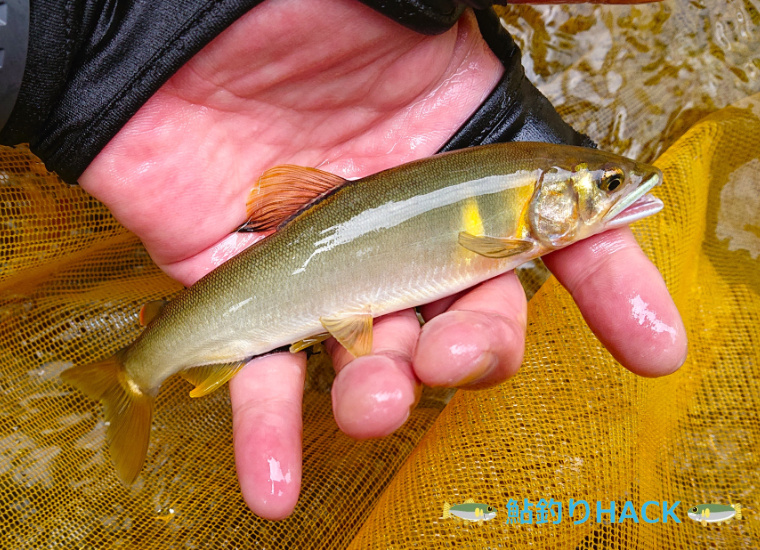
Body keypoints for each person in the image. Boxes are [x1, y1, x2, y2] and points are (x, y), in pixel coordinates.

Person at [0, 0, 686, 520]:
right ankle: (133, 375)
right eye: (606, 187)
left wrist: (92, 34)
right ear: (548, 199)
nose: (616, 192)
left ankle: (136, 370)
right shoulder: (512, 228)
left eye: (608, 186)